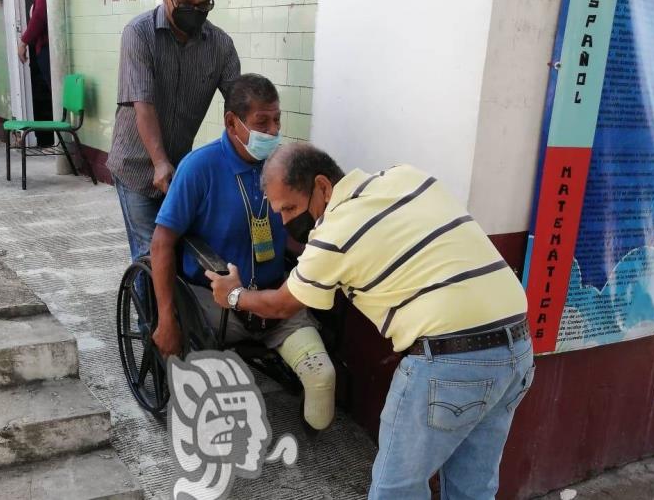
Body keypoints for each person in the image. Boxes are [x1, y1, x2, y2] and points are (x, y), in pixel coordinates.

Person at [205, 143, 534, 499]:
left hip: (449, 361)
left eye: (290, 208)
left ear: (323, 187)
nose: (285, 221)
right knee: (473, 487)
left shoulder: (335, 234)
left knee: (395, 489)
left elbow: (283, 305)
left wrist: (233, 295)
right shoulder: (405, 177)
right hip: (517, 348)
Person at [151, 74, 336, 432]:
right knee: (219, 411)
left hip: (273, 301)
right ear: (231, 122)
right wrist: (165, 318)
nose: (273, 130)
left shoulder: (284, 166)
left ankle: (314, 444)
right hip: (213, 302)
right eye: (262, 122)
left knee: (323, 379)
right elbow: (161, 243)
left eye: (277, 119)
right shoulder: (199, 167)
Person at [107, 0, 240, 267]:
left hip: (180, 171)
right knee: (151, 258)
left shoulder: (221, 46)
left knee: (185, 256)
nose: (195, 13)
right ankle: (148, 319)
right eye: (186, 5)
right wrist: (160, 162)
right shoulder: (138, 34)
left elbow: (240, 106)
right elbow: (144, 105)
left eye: (203, 6)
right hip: (137, 167)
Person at [18, 0, 50, 89]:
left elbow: (39, 16)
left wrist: (23, 43)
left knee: (58, 91)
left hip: (47, 49)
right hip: (47, 48)